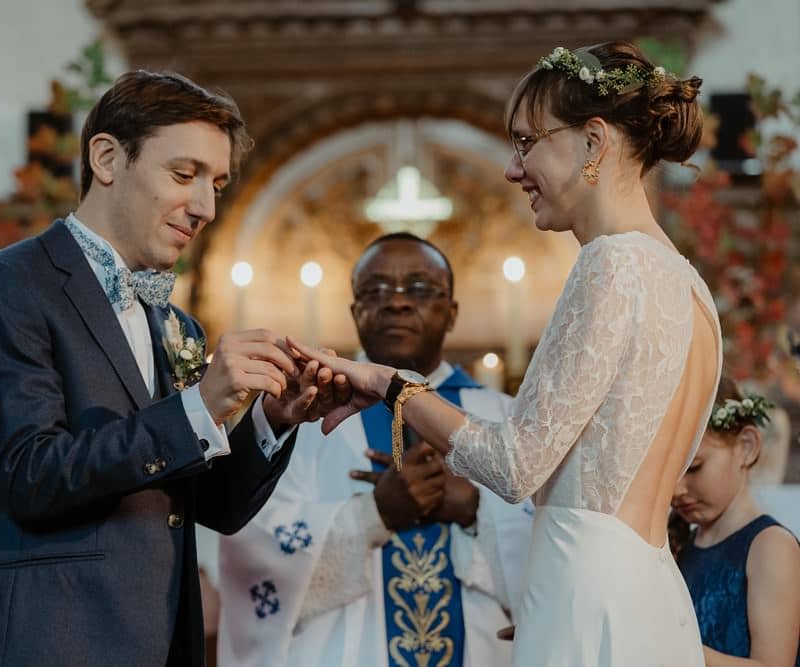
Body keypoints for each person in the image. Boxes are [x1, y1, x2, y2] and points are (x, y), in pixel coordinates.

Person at [289, 40, 722, 666]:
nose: (511, 170)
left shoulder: (610, 262)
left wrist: (387, 382)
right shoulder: (688, 284)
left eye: (526, 143)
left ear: (594, 143)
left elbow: (515, 465)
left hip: (586, 587)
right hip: (646, 591)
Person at [0, 70, 347, 666]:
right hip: (47, 642)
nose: (205, 206)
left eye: (217, 183)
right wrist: (198, 408)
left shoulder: (176, 326)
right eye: (184, 175)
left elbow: (208, 507)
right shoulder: (5, 286)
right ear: (107, 158)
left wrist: (271, 420)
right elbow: (29, 475)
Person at [217, 234, 533, 667]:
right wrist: (375, 514)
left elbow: (557, 543)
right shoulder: (307, 417)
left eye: (419, 289)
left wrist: (475, 508)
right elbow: (251, 545)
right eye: (376, 290)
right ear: (355, 311)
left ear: (452, 311)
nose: (397, 303)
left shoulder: (507, 419)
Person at [672, 377, 800, 666]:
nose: (676, 489)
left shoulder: (771, 547)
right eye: (668, 475)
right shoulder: (681, 543)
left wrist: (674, 646)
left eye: (694, 468)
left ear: (746, 447)